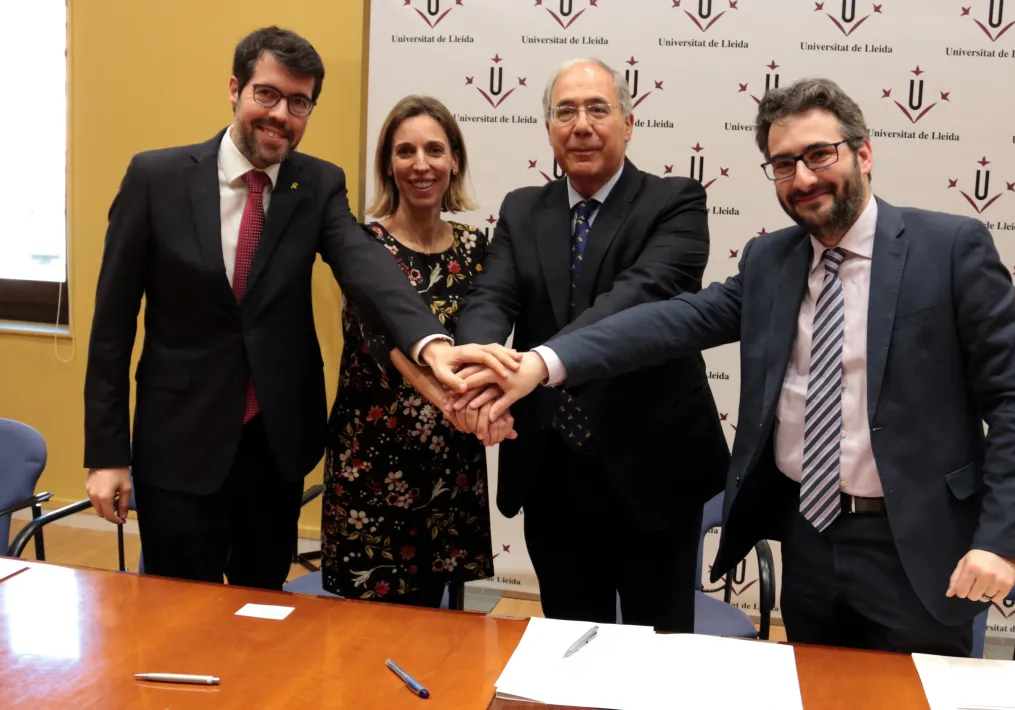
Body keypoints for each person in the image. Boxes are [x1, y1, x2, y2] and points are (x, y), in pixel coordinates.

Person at [464, 77, 1015, 656]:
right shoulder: (772, 259)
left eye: (820, 155)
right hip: (809, 540)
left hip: (914, 544)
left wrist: (1002, 540)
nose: (804, 178)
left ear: (864, 152)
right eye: (783, 164)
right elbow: (671, 321)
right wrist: (543, 363)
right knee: (814, 694)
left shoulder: (950, 248)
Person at [82, 27, 516, 590]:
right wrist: (106, 454)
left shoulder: (316, 184)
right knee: (176, 614)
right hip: (179, 444)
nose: (281, 114)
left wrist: (431, 343)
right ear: (235, 89)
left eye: (299, 102)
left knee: (263, 613)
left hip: (275, 448)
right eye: (268, 94)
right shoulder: (155, 178)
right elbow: (111, 329)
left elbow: (367, 269)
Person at [445, 57, 729, 633]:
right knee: (568, 643)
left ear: (628, 123)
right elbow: (491, 298)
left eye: (597, 109)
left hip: (653, 470)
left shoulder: (675, 201)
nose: (581, 124)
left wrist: (537, 365)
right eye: (565, 112)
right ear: (549, 129)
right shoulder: (524, 208)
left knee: (660, 648)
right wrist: (476, 366)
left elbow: (639, 299)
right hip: (552, 473)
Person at [320, 96, 512, 606]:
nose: (421, 164)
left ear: (454, 161)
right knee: (372, 635)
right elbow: (383, 341)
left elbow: (485, 340)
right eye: (405, 151)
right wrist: (452, 398)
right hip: (374, 468)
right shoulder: (362, 245)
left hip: (452, 465)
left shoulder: (478, 247)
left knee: (443, 631)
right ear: (388, 163)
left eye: (434, 150)